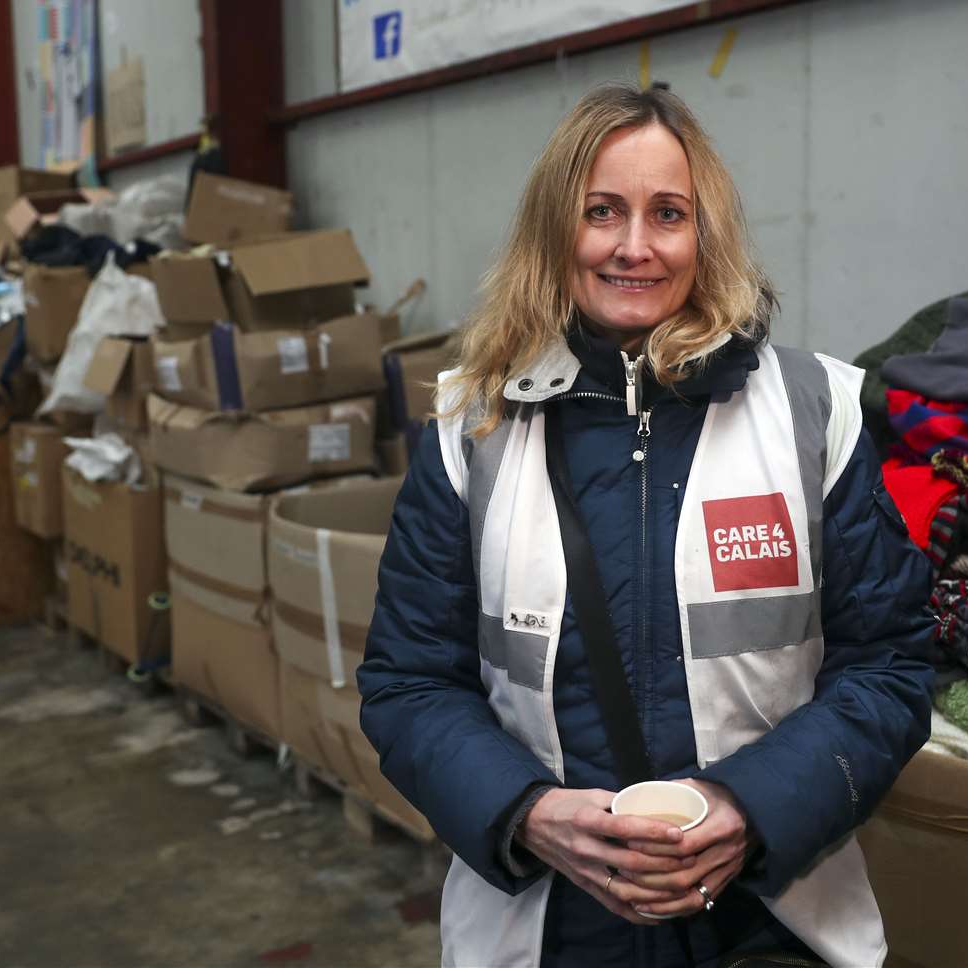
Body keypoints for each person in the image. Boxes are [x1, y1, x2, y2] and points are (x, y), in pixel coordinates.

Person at [358, 83, 934, 967]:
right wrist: (528, 814)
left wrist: (751, 809)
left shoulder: (817, 414)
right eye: (602, 212)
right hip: (551, 928)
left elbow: (889, 668)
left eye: (668, 213)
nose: (635, 246)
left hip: (771, 919)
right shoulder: (470, 431)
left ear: (707, 236)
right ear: (557, 232)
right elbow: (407, 683)